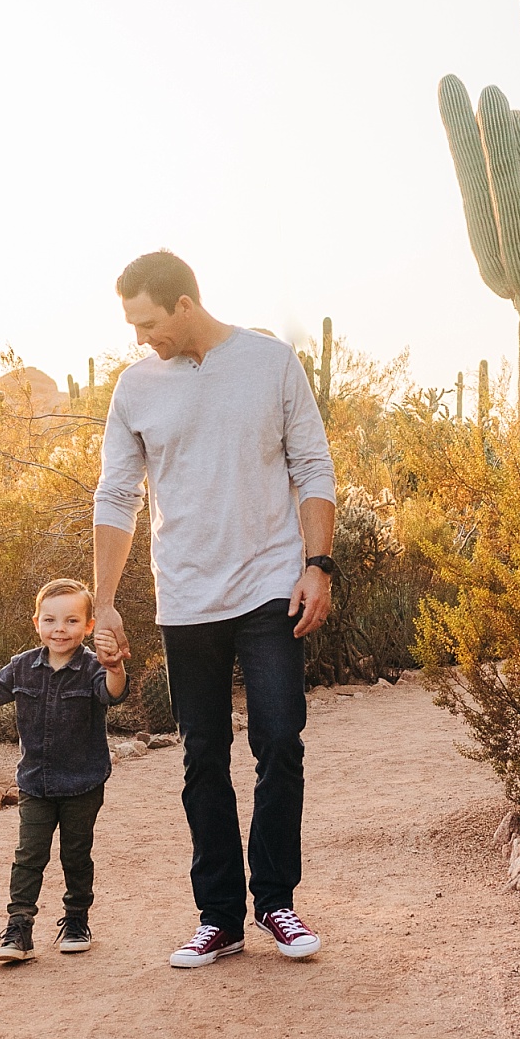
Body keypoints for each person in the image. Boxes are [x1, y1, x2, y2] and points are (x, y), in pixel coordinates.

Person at [92, 250, 337, 969]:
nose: (141, 337)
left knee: (279, 739)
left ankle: (277, 902)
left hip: (269, 584)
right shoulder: (135, 388)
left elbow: (313, 466)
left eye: (147, 321)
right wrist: (103, 600)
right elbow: (116, 495)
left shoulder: (270, 363)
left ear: (185, 302)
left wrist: (316, 565)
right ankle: (219, 916)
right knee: (203, 756)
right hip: (187, 594)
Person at [0, 579, 128, 962]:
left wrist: (114, 665)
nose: (59, 629)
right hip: (36, 782)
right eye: (50, 620)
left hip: (83, 782)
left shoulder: (93, 668)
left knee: (76, 854)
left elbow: (112, 692)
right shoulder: (22, 667)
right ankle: (19, 928)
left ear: (88, 626)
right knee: (29, 855)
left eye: (70, 621)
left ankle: (77, 919)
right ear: (37, 623)